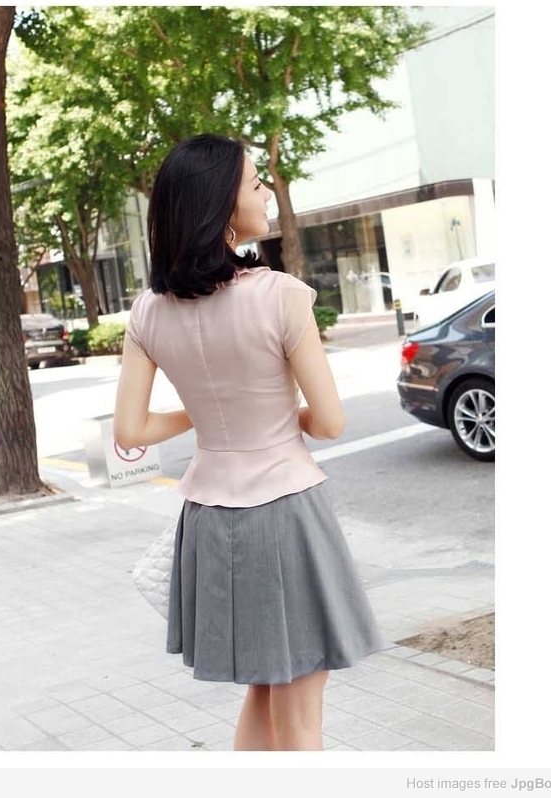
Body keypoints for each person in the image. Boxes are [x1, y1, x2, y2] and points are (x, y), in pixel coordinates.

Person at [113, 133, 382, 751]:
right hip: (286, 511)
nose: (265, 194)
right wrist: (276, 414)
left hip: (207, 517)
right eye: (256, 184)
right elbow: (330, 422)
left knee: (262, 693)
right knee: (301, 718)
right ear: (220, 205)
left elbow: (131, 431)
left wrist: (206, 413)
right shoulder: (279, 295)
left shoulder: (148, 311)